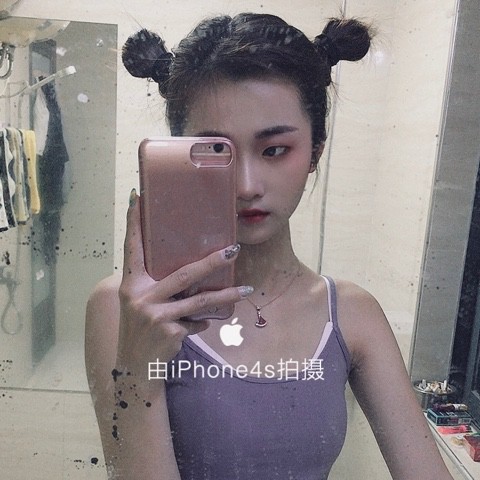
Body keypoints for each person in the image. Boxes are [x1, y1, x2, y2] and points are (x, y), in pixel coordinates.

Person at [85, 12, 454, 480]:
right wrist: (138, 369)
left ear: (316, 150)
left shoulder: (353, 314)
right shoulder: (124, 310)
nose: (246, 185)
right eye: (217, 152)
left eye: (275, 150)